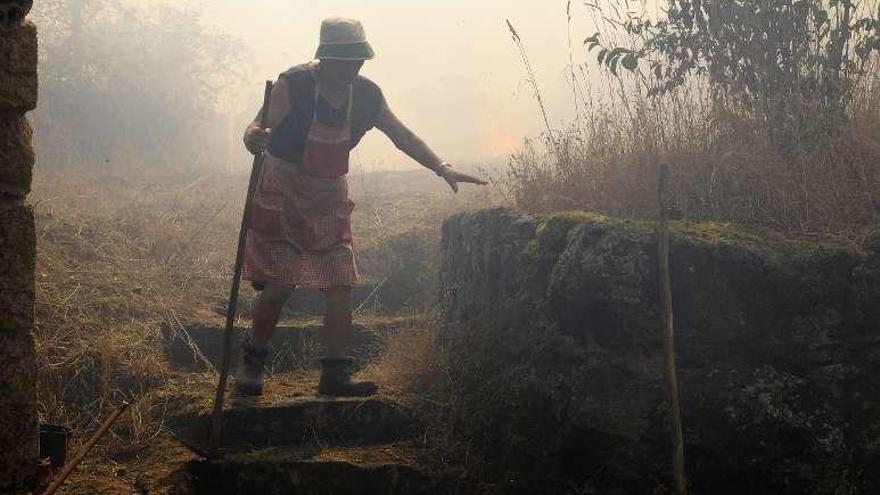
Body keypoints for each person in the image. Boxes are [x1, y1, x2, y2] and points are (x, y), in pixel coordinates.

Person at [236, 17, 487, 397]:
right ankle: (252, 362)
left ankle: (335, 374)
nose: (352, 67)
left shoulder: (368, 96)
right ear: (324, 57)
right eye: (343, 59)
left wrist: (442, 167)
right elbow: (256, 127)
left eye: (357, 59)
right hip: (282, 191)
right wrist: (253, 137)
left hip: (329, 196)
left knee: (340, 281)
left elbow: (402, 136)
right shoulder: (295, 85)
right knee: (280, 284)